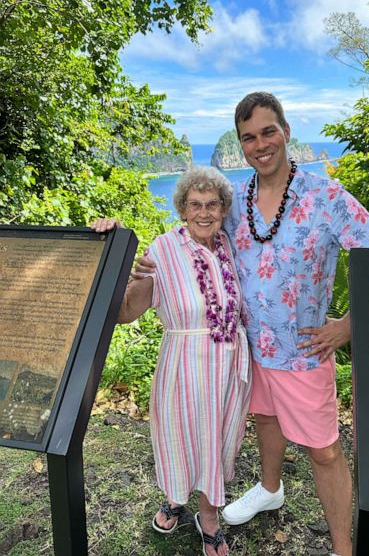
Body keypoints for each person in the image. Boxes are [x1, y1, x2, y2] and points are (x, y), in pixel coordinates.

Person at [134, 92, 369, 556]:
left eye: (268, 131)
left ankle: (342, 547)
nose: (260, 145)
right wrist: (133, 253)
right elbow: (193, 236)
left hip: (303, 353)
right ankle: (270, 488)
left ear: (286, 130)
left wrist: (351, 325)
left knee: (324, 451)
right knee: (264, 421)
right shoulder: (236, 203)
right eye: (248, 137)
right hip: (248, 351)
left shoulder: (325, 196)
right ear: (241, 143)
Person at [92, 165, 251, 556]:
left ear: (223, 208)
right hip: (183, 365)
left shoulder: (230, 248)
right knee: (181, 439)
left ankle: (208, 516)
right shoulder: (163, 249)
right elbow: (126, 311)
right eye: (194, 204)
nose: (204, 212)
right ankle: (177, 500)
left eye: (212, 204)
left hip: (229, 366)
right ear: (182, 209)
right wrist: (107, 252)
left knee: (218, 441)